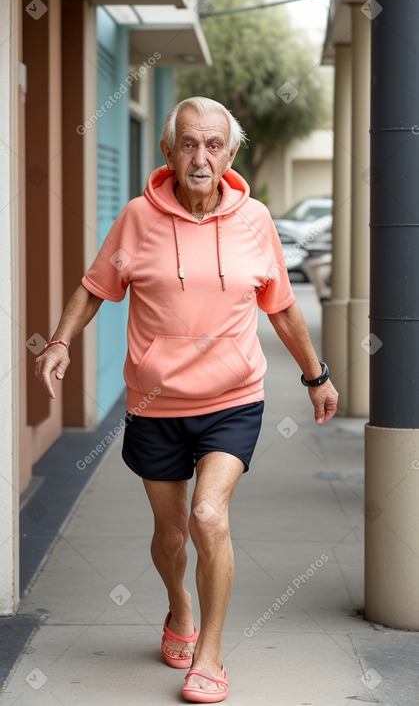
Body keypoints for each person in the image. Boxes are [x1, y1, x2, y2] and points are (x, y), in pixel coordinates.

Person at [36, 96, 338, 703]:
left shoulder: (254, 219)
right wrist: (62, 340)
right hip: (155, 402)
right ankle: (179, 606)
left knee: (209, 517)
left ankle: (212, 653)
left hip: (233, 398)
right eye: (190, 144)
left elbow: (279, 305)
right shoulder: (136, 219)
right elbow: (96, 287)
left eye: (214, 145)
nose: (202, 158)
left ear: (231, 152)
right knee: (171, 535)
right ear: (168, 150)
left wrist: (315, 375)